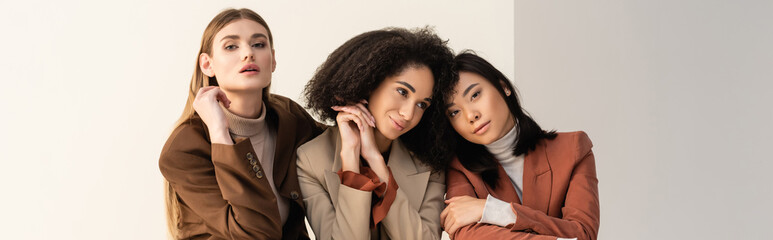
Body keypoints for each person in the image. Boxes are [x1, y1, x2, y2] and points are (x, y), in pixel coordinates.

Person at [158, 8, 323, 239]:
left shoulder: (289, 117)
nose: (248, 53)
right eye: (231, 46)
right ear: (207, 64)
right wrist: (219, 133)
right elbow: (254, 233)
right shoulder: (184, 149)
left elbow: (338, 148)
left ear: (273, 60)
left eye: (258, 44)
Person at [296, 27, 455, 240]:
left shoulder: (429, 163)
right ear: (369, 82)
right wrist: (351, 160)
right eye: (402, 92)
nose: (408, 114)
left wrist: (376, 162)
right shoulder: (310, 160)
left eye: (422, 105)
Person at [438, 52, 600, 240]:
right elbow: (467, 235)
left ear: (503, 86)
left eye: (475, 95)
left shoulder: (573, 149)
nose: (470, 116)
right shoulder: (460, 167)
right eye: (455, 112)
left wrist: (494, 210)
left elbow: (584, 234)